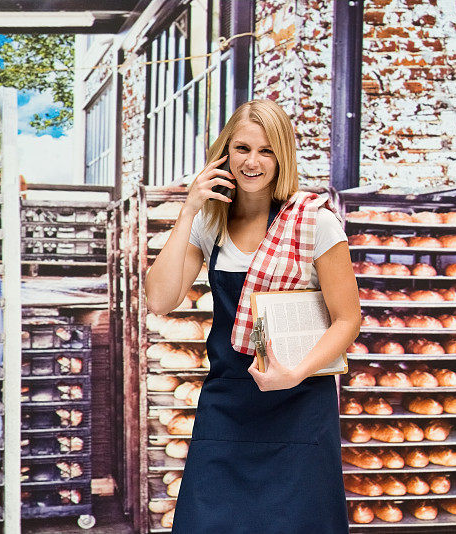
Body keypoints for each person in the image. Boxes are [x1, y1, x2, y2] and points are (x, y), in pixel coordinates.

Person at [145, 99, 360, 533]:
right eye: (242, 148)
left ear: (283, 156)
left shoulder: (314, 223)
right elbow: (160, 299)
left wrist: (295, 373)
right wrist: (188, 209)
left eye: (266, 151)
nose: (253, 162)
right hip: (229, 402)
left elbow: (348, 319)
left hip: (300, 402)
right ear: (224, 153)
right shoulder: (210, 224)